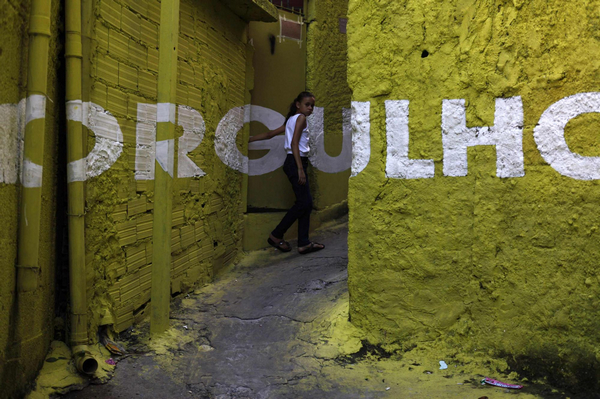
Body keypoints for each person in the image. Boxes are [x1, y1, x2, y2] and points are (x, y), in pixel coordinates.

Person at [249, 91, 325, 255]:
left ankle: (303, 243)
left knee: (305, 203)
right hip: (296, 162)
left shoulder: (291, 120)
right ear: (298, 104)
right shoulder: (301, 118)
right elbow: (294, 143)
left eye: (312, 105)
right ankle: (276, 235)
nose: (310, 108)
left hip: (293, 162)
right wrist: (299, 169)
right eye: (307, 105)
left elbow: (269, 134)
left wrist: (248, 139)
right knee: (303, 203)